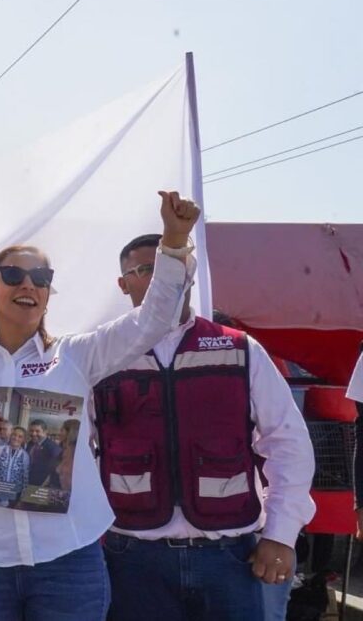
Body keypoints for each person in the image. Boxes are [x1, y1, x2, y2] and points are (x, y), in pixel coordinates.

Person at [0, 190, 202, 620]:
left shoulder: (77, 355)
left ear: (49, 295)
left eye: (42, 277)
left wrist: (175, 244)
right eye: (14, 274)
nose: (28, 284)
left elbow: (154, 319)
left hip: (67, 559)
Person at [94, 233, 315, 620]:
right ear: (123, 283)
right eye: (148, 269)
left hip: (230, 557)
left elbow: (288, 442)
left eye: (176, 266)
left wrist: (281, 534)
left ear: (191, 275)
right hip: (132, 559)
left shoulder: (239, 348)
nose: (165, 277)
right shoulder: (101, 354)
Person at [0, 427, 30, 507]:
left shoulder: (25, 456)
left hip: (14, 491)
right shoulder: (1, 449)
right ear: (11, 435)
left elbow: (25, 478)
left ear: (23, 439)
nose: (16, 438)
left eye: (20, 436)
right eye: (14, 435)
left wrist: (22, 498)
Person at [24, 419, 62, 488]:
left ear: (45, 432)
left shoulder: (53, 447)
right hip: (27, 484)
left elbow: (56, 470)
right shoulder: (30, 444)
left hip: (42, 487)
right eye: (31, 431)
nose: (33, 434)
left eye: (37, 431)